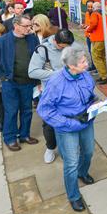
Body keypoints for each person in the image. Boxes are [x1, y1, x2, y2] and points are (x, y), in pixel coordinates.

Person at [37, 45, 97, 212]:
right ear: (71, 66)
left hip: (86, 122)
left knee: (89, 151)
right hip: (67, 127)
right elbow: (45, 110)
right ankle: (74, 196)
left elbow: (91, 94)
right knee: (71, 162)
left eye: (85, 60)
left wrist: (96, 104)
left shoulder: (85, 76)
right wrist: (69, 123)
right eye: (83, 62)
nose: (87, 64)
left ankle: (82, 172)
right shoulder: (56, 82)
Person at [0, 13, 41, 151]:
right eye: (26, 26)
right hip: (10, 83)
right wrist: (3, 77)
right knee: (11, 111)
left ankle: (24, 135)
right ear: (16, 26)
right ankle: (10, 138)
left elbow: (39, 58)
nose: (29, 28)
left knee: (27, 110)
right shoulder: (2, 41)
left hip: (28, 83)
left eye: (30, 25)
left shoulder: (33, 39)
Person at [29, 29, 76, 163]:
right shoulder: (42, 50)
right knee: (49, 123)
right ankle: (50, 147)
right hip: (50, 93)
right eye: (62, 47)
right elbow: (32, 72)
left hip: (69, 92)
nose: (64, 50)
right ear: (55, 41)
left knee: (69, 120)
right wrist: (57, 73)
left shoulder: (69, 47)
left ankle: (68, 147)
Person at [86, 5, 107, 85]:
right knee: (102, 57)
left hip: (97, 38)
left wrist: (88, 29)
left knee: (96, 56)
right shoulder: (105, 15)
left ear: (94, 8)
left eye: (92, 7)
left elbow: (93, 24)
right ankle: (105, 75)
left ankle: (104, 76)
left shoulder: (95, 14)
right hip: (104, 38)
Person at [81, 0, 96, 70]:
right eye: (88, 6)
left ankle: (96, 67)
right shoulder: (87, 13)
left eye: (91, 7)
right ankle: (93, 66)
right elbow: (87, 24)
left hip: (94, 36)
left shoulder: (96, 14)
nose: (90, 8)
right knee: (90, 51)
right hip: (88, 36)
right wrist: (84, 26)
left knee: (95, 53)